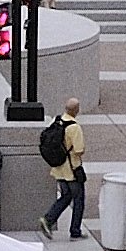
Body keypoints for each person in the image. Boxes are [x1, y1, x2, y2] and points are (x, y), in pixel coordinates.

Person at [36, 101, 87, 239]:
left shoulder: (57, 121)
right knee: (79, 199)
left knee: (66, 195)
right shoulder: (74, 127)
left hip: (58, 168)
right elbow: (79, 149)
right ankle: (75, 230)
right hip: (72, 169)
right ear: (76, 110)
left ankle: (48, 219)